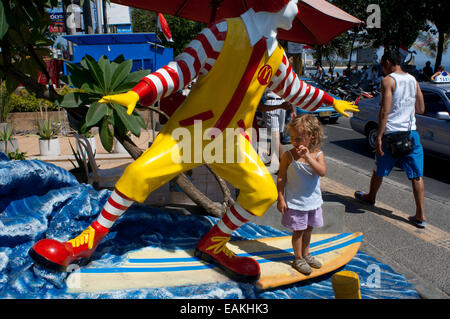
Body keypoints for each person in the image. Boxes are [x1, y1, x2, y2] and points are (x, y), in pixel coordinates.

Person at [30, 0, 358, 282]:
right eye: (291, 0)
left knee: (263, 191)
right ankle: (85, 242)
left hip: (230, 141)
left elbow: (296, 90)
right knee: (137, 175)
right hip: (191, 132)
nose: (296, 7)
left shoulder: (277, 57)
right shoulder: (222, 33)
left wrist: (332, 101)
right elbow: (179, 70)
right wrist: (138, 92)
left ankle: (213, 243)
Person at [354, 50, 426, 228]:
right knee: (416, 176)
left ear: (387, 62)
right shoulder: (413, 79)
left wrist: (378, 137)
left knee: (379, 169)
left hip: (391, 134)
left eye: (381, 63)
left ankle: (371, 198)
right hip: (411, 134)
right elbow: (421, 108)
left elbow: (384, 111)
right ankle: (420, 215)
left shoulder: (388, 80)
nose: (381, 67)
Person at [277, 114, 326, 275]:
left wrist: (307, 157)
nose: (294, 142)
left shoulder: (317, 154)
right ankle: (297, 258)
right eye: (292, 138)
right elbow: (281, 177)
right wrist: (281, 197)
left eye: (299, 138)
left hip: (313, 202)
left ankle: (306, 253)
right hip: (296, 203)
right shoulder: (288, 155)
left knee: (309, 229)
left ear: (311, 137)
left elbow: (322, 172)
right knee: (298, 231)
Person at [258, 88, 296, 173]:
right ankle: (275, 160)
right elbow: (291, 91)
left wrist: (293, 109)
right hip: (281, 104)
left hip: (277, 104)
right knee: (276, 135)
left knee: (275, 136)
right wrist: (293, 109)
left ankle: (280, 163)